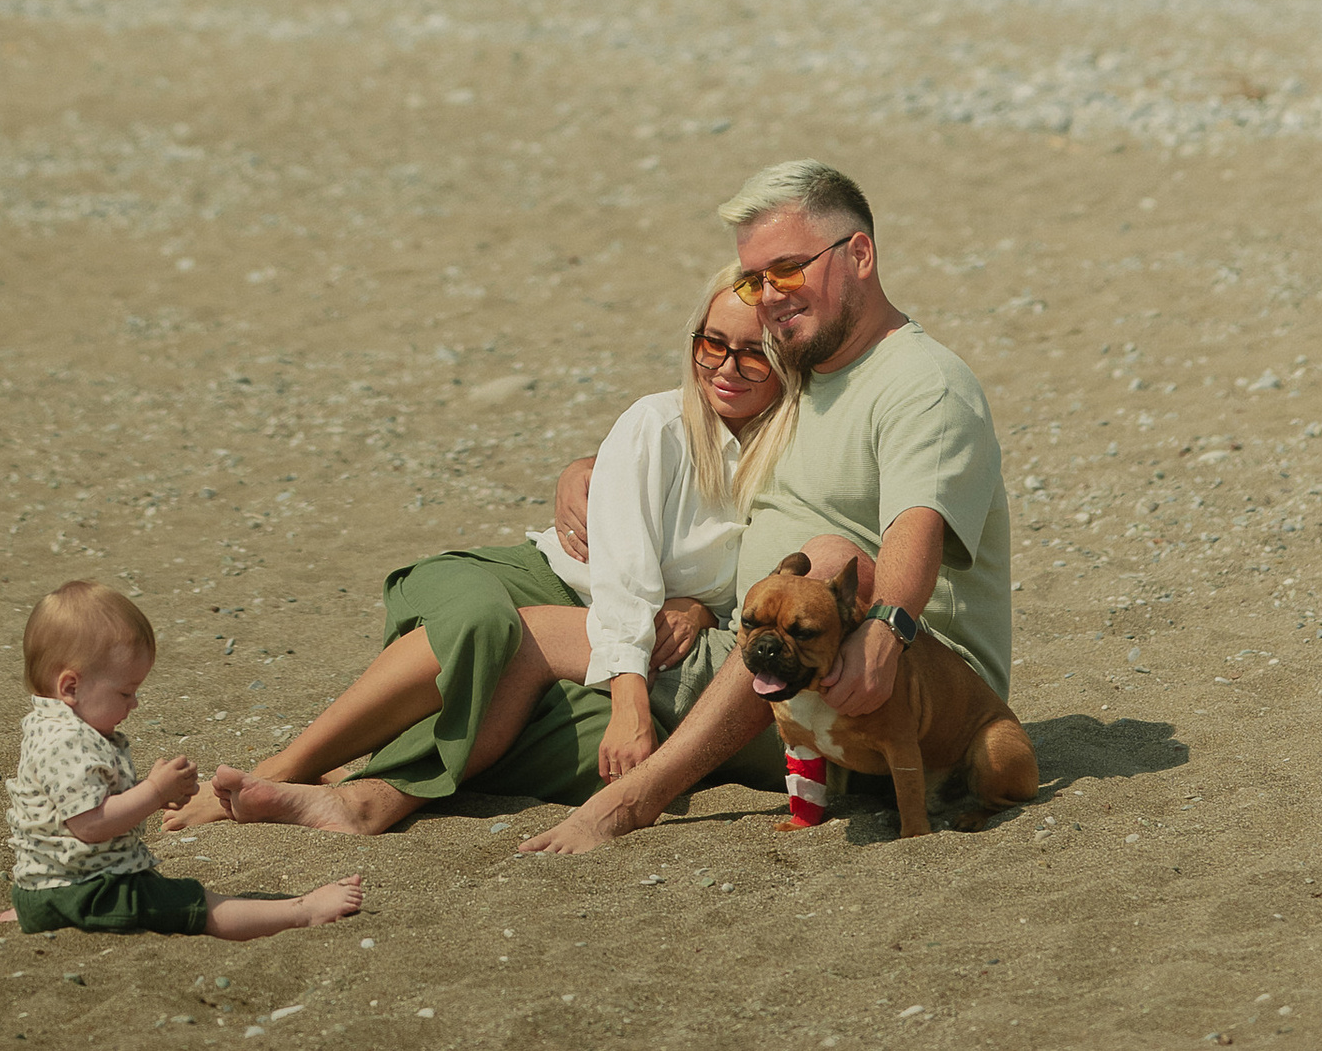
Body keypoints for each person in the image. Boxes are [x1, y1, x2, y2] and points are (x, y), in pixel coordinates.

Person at [167, 269, 795, 837]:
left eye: (753, 354)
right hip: (536, 579)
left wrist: (703, 609)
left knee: (569, 735)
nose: (726, 368)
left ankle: (355, 786)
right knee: (484, 626)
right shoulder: (657, 423)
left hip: (602, 631)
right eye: (712, 344)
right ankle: (285, 768)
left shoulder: (789, 458)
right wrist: (630, 701)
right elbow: (625, 574)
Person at [518, 155, 1014, 856]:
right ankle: (374, 796)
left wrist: (886, 631)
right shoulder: (808, 365)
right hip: (752, 635)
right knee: (495, 639)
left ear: (860, 254)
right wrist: (589, 467)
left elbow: (915, 529)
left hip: (894, 682)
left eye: (786, 270)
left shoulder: (923, 386)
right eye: (755, 279)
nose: (769, 297)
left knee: (827, 562)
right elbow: (702, 437)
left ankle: (633, 801)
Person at [0, 579, 363, 937]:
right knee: (197, 903)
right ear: (71, 687)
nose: (134, 703)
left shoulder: (49, 727)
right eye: (125, 692)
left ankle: (45, 906)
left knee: (152, 888)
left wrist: (152, 793)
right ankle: (301, 912)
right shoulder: (68, 742)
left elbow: (80, 806)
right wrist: (154, 792)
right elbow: (90, 825)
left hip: (53, 884)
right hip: (89, 890)